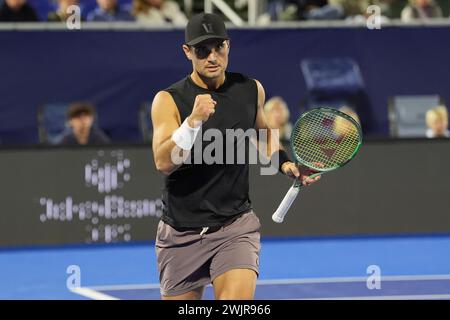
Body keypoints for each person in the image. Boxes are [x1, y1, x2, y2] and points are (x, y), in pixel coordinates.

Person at [151, 13, 321, 300]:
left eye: (219, 47)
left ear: (229, 46)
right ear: (187, 52)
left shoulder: (250, 89)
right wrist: (193, 121)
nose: (212, 57)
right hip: (181, 233)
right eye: (203, 50)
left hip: (234, 227)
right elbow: (164, 162)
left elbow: (264, 133)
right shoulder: (168, 100)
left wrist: (285, 163)